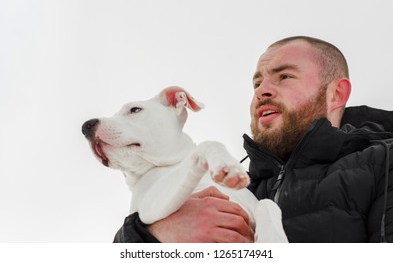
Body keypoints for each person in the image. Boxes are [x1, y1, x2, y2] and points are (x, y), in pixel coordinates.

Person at [113, 36, 393, 243]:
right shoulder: (239, 188)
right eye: (257, 84)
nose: (263, 91)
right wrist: (155, 233)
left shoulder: (382, 161)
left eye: (284, 76)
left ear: (337, 94)